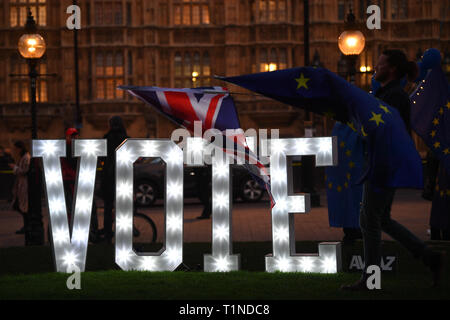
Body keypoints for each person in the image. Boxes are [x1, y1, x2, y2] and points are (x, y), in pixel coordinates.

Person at [342, 49, 445, 290]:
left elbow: (384, 131)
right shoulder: (388, 94)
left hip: (383, 164)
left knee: (369, 220)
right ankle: (430, 257)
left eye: (379, 65)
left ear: (393, 69)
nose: (374, 68)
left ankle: (371, 279)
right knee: (382, 219)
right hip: (382, 162)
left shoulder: (394, 96)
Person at [100, 116, 129, 243]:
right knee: (124, 208)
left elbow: (102, 158)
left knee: (108, 207)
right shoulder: (126, 139)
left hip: (109, 178)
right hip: (123, 177)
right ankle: (124, 236)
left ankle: (107, 235)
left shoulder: (106, 139)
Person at [9, 141, 31, 235]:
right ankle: (27, 225)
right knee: (18, 205)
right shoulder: (23, 157)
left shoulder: (26, 157)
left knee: (22, 206)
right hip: (20, 185)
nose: (15, 151)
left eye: (16, 149)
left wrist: (15, 168)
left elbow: (25, 171)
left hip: (24, 185)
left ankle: (27, 225)